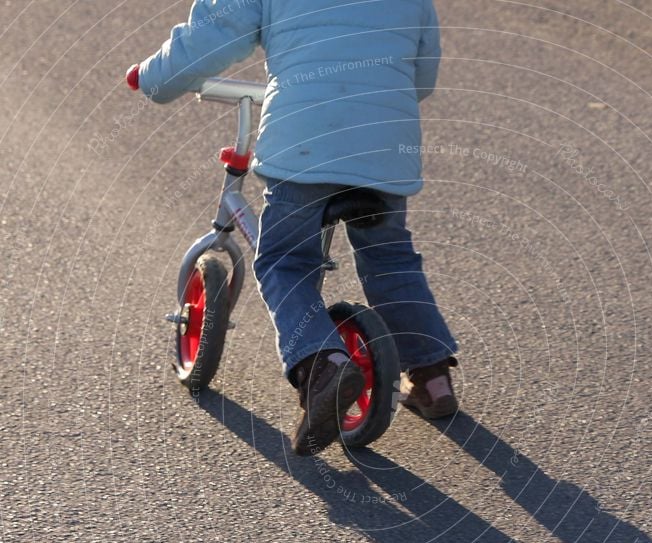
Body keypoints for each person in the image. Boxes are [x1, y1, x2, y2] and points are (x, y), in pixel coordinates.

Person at [134, 0, 459, 454]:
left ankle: (322, 363)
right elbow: (422, 75)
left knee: (286, 262)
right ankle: (433, 378)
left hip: (305, 148)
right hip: (386, 145)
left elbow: (213, 32)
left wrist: (153, 79)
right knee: (390, 258)